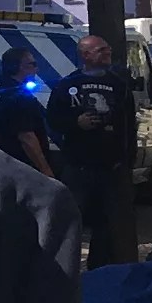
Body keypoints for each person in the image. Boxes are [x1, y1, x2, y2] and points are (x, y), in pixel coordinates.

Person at [49, 34, 136, 268]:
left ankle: (98, 270)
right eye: (101, 50)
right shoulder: (67, 85)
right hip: (78, 167)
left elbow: (129, 125)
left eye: (108, 49)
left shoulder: (119, 85)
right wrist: (76, 123)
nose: (108, 53)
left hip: (110, 168)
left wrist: (126, 160)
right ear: (86, 55)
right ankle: (65, 269)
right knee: (70, 220)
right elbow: (53, 120)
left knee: (106, 225)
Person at [0, 46, 57, 179]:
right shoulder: (19, 96)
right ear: (17, 67)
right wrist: (45, 170)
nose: (36, 69)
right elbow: (27, 138)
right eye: (32, 64)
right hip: (24, 167)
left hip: (8, 162)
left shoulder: (1, 91)